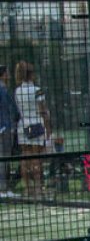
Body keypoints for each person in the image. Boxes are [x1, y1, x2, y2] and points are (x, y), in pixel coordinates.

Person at [14, 61, 50, 199]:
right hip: (36, 123)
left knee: (25, 155)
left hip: (23, 124)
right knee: (36, 158)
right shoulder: (37, 90)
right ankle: (38, 188)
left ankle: (27, 188)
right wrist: (47, 126)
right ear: (31, 74)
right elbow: (42, 110)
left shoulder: (17, 90)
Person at [0, 65, 19, 197]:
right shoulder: (2, 90)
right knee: (3, 158)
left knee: (5, 159)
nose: (9, 75)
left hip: (6, 127)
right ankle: (3, 189)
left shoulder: (4, 89)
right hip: (4, 128)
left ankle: (5, 188)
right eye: (7, 73)